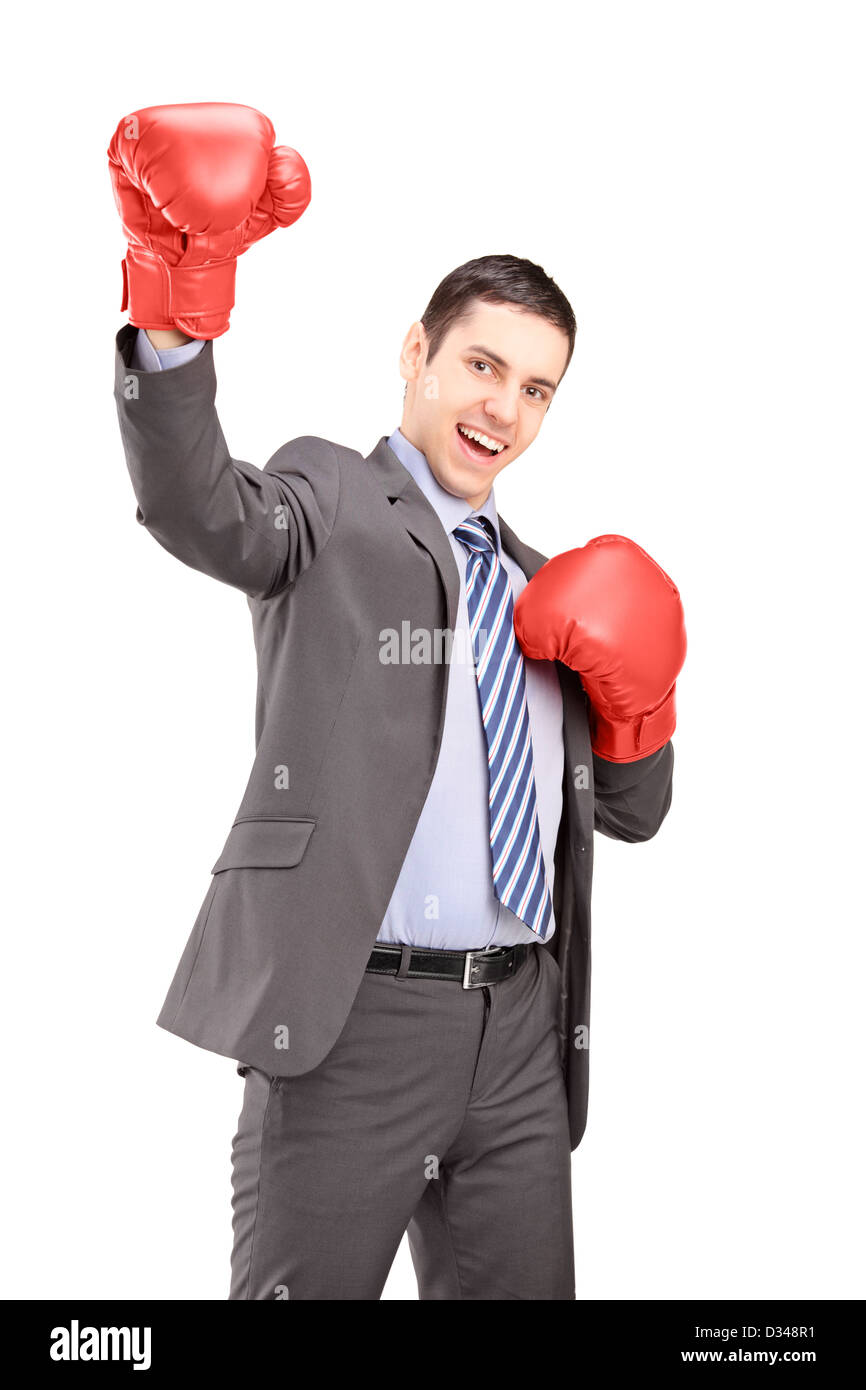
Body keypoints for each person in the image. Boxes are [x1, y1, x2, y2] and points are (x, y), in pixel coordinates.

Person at [109, 102, 686, 1301]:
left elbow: (628, 815)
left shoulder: (546, 588)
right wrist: (178, 300)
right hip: (352, 1020)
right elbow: (202, 509)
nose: (501, 409)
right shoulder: (329, 497)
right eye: (482, 365)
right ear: (415, 351)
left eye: (535, 389)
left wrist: (643, 702)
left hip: (522, 1030)